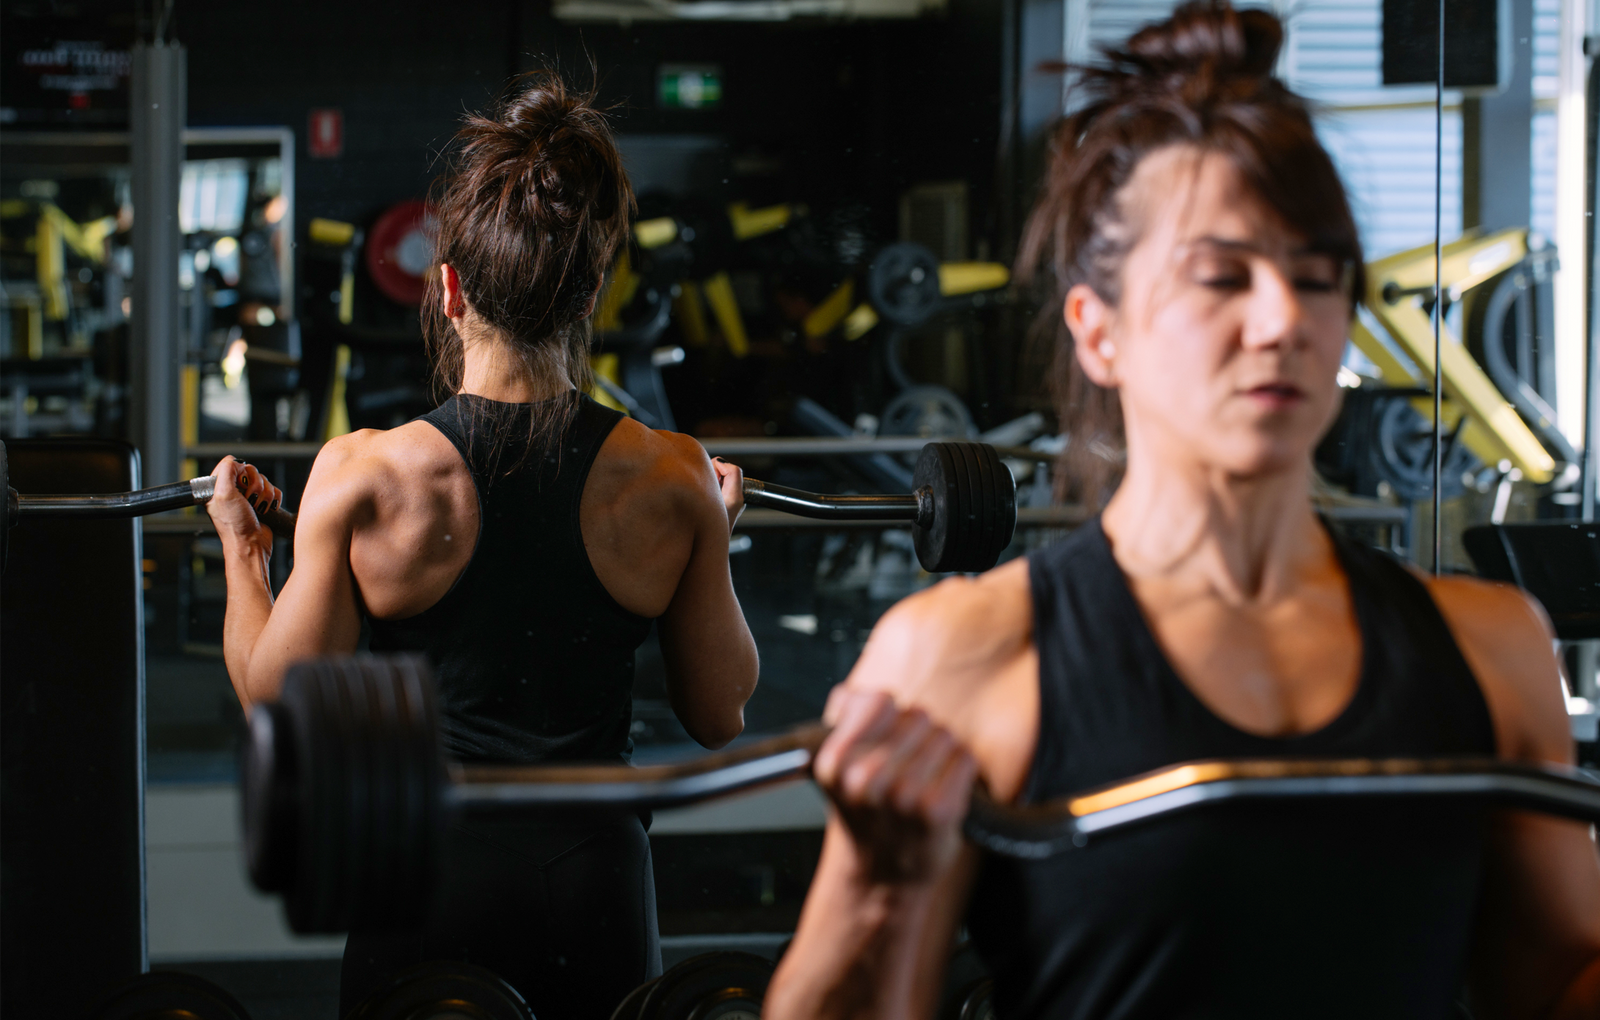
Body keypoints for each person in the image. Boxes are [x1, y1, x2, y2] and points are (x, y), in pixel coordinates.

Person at [765, 4, 1600, 1018]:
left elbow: (1558, 985)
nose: (1283, 319)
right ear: (1097, 331)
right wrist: (875, 884)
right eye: (1221, 277)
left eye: (1315, 277)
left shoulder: (1492, 651)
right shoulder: (964, 657)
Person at [205, 72, 760, 1019]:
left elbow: (277, 702)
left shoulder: (364, 474)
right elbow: (720, 712)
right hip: (596, 881)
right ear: (590, 294)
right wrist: (708, 535)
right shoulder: (674, 477)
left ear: (450, 288)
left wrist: (243, 551)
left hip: (426, 877)